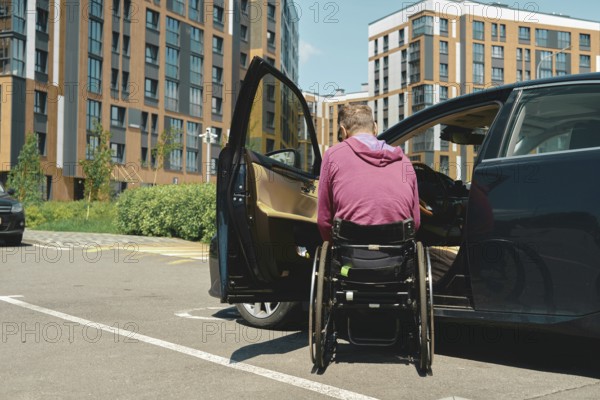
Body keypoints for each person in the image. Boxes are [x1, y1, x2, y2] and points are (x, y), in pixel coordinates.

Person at [317, 104, 420, 242]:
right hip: (397, 257)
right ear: (375, 128)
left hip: (349, 258)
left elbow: (324, 220)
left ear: (343, 132)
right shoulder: (405, 162)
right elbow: (416, 223)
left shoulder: (332, 156)